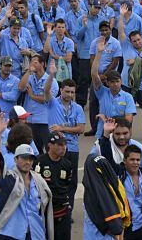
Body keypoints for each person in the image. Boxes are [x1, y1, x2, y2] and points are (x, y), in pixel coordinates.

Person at [0, 143, 54, 240]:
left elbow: (45, 205)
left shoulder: (39, 180)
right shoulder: (10, 178)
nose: (28, 162)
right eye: (24, 158)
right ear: (15, 159)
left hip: (36, 232)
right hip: (13, 234)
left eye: (30, 159)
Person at [43, 63, 85, 210]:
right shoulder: (53, 103)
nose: (70, 94)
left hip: (72, 148)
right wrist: (51, 75)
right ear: (61, 90)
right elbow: (46, 90)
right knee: (53, 180)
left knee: (71, 182)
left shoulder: (78, 108)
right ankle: (53, 209)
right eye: (67, 91)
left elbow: (81, 128)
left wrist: (61, 128)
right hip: (54, 148)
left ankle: (68, 209)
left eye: (72, 92)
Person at [35, 132, 75, 240]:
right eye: (60, 144)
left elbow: (68, 185)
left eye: (65, 144)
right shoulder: (39, 162)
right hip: (45, 211)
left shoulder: (67, 164)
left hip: (63, 210)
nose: (64, 147)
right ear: (50, 145)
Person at [18, 52, 57, 153]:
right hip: (30, 120)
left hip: (44, 121)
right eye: (31, 62)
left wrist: (32, 96)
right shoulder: (29, 78)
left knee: (50, 148)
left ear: (42, 64)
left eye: (35, 62)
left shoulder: (51, 81)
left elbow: (46, 99)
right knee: (33, 150)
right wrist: (28, 72)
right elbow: (21, 87)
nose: (32, 64)